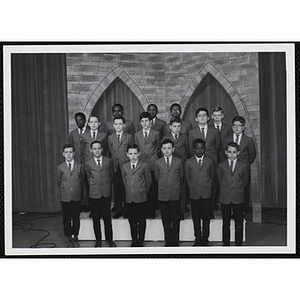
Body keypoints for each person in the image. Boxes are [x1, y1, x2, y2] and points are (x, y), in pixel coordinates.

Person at [85, 141, 116, 247]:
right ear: (91, 150)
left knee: (107, 218)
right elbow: (88, 177)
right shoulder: (88, 163)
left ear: (102, 149)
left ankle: (110, 239)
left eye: (99, 148)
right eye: (94, 149)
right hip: (94, 194)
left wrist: (106, 185)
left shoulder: (109, 161)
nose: (97, 150)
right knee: (96, 219)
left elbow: (111, 175)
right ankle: (98, 240)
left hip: (106, 193)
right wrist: (93, 184)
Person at [153, 139, 184, 246]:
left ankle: (175, 239)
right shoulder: (157, 162)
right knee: (165, 217)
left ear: (173, 149)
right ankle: (168, 239)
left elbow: (181, 177)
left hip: (175, 193)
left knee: (175, 217)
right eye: (164, 148)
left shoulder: (178, 161)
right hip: (163, 194)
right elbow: (157, 177)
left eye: (169, 148)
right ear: (161, 150)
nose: (167, 150)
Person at [222, 116, 256, 213]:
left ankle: (242, 211)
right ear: (232, 127)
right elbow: (223, 153)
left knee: (243, 190)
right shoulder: (226, 139)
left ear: (244, 127)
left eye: (239, 125)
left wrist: (244, 165)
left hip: (242, 170)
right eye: (234, 125)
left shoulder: (248, 140)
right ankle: (231, 210)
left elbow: (252, 155)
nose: (237, 128)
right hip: (230, 169)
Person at [217, 142, 249, 246]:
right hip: (225, 196)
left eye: (234, 152)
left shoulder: (243, 165)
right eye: (229, 152)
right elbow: (219, 179)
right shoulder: (221, 165)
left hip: (238, 196)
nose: (232, 154)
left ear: (238, 153)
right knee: (225, 222)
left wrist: (237, 188)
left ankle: (238, 243)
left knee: (238, 222)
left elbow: (245, 180)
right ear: (226, 152)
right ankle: (226, 243)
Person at [185, 139, 216, 246]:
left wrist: (208, 187)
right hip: (194, 194)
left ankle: (205, 238)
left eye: (202, 148)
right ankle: (197, 237)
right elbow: (187, 178)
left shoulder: (210, 161)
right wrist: (192, 188)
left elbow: (212, 177)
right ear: (193, 149)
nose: (199, 150)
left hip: (206, 193)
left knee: (206, 217)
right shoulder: (189, 162)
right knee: (196, 217)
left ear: (205, 149)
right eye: (197, 148)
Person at [121, 144, 152, 247]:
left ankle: (141, 240)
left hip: (142, 198)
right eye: (131, 154)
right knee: (132, 222)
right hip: (130, 198)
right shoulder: (124, 166)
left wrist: (143, 191)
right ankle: (134, 240)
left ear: (139, 154)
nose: (133, 156)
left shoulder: (144, 165)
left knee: (141, 221)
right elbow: (125, 181)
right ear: (127, 155)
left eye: (135, 153)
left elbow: (148, 181)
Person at [56, 144, 85, 248]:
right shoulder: (60, 167)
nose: (68, 154)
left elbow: (82, 181)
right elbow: (59, 181)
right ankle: (68, 237)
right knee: (67, 218)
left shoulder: (80, 166)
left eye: (70, 152)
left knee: (76, 218)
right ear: (63, 154)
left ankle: (75, 236)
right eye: (66, 152)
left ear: (74, 153)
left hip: (76, 196)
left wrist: (75, 189)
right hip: (65, 197)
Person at [134, 112, 161, 219]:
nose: (145, 123)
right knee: (143, 187)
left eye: (146, 121)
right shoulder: (137, 135)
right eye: (142, 121)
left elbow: (158, 148)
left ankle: (152, 210)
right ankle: (144, 211)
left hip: (152, 164)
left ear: (150, 122)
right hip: (141, 164)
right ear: (140, 123)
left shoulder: (156, 133)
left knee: (153, 189)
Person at [162, 117, 188, 219]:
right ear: (170, 127)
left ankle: (181, 210)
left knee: (182, 187)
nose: (177, 128)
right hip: (170, 165)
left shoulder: (185, 137)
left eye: (178, 126)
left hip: (182, 164)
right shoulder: (165, 137)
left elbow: (188, 149)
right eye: (174, 126)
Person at [107, 116, 134, 219]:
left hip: (126, 165)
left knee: (126, 188)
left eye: (120, 124)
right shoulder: (110, 137)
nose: (118, 126)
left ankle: (127, 210)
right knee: (117, 188)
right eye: (116, 124)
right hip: (115, 166)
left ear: (124, 125)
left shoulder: (129, 137)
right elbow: (109, 151)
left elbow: (131, 150)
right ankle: (118, 209)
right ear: (113, 125)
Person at [69, 112, 89, 210]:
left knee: (88, 183)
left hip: (88, 161)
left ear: (85, 120)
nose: (79, 122)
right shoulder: (73, 134)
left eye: (80, 120)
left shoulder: (90, 132)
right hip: (77, 162)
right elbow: (71, 147)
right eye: (77, 121)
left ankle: (88, 204)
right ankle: (81, 204)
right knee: (79, 183)